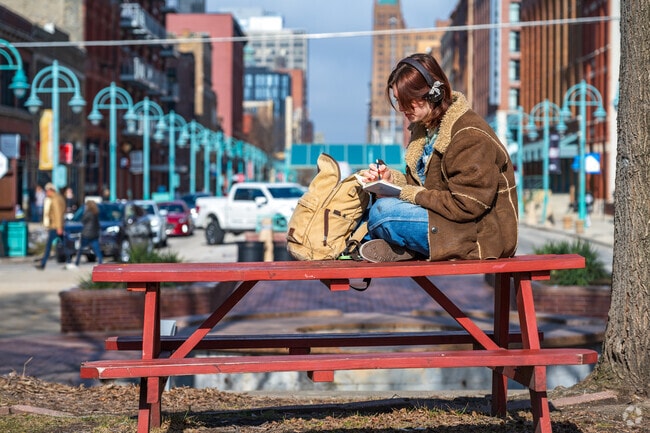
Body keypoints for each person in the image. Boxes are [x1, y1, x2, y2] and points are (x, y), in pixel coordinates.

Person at [357, 53, 518, 263]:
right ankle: (396, 246)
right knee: (364, 206)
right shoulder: (426, 132)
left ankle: (395, 245)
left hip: (479, 236)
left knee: (382, 213)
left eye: (408, 101)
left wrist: (404, 193)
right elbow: (427, 187)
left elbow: (467, 204)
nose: (402, 109)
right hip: (449, 224)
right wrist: (390, 181)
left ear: (432, 95)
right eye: (398, 101)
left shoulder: (469, 135)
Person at [35, 183, 66, 270]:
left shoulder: (55, 199)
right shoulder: (56, 197)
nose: (46, 192)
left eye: (47, 191)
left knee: (49, 245)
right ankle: (69, 261)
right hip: (56, 225)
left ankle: (43, 263)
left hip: (55, 226)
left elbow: (58, 214)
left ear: (51, 190)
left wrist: (59, 227)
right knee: (63, 244)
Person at [72, 199, 103, 268]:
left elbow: (83, 220)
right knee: (97, 249)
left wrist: (84, 211)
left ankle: (77, 262)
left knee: (81, 249)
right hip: (94, 234)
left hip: (86, 234)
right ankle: (100, 262)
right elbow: (97, 224)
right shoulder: (96, 213)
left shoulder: (88, 213)